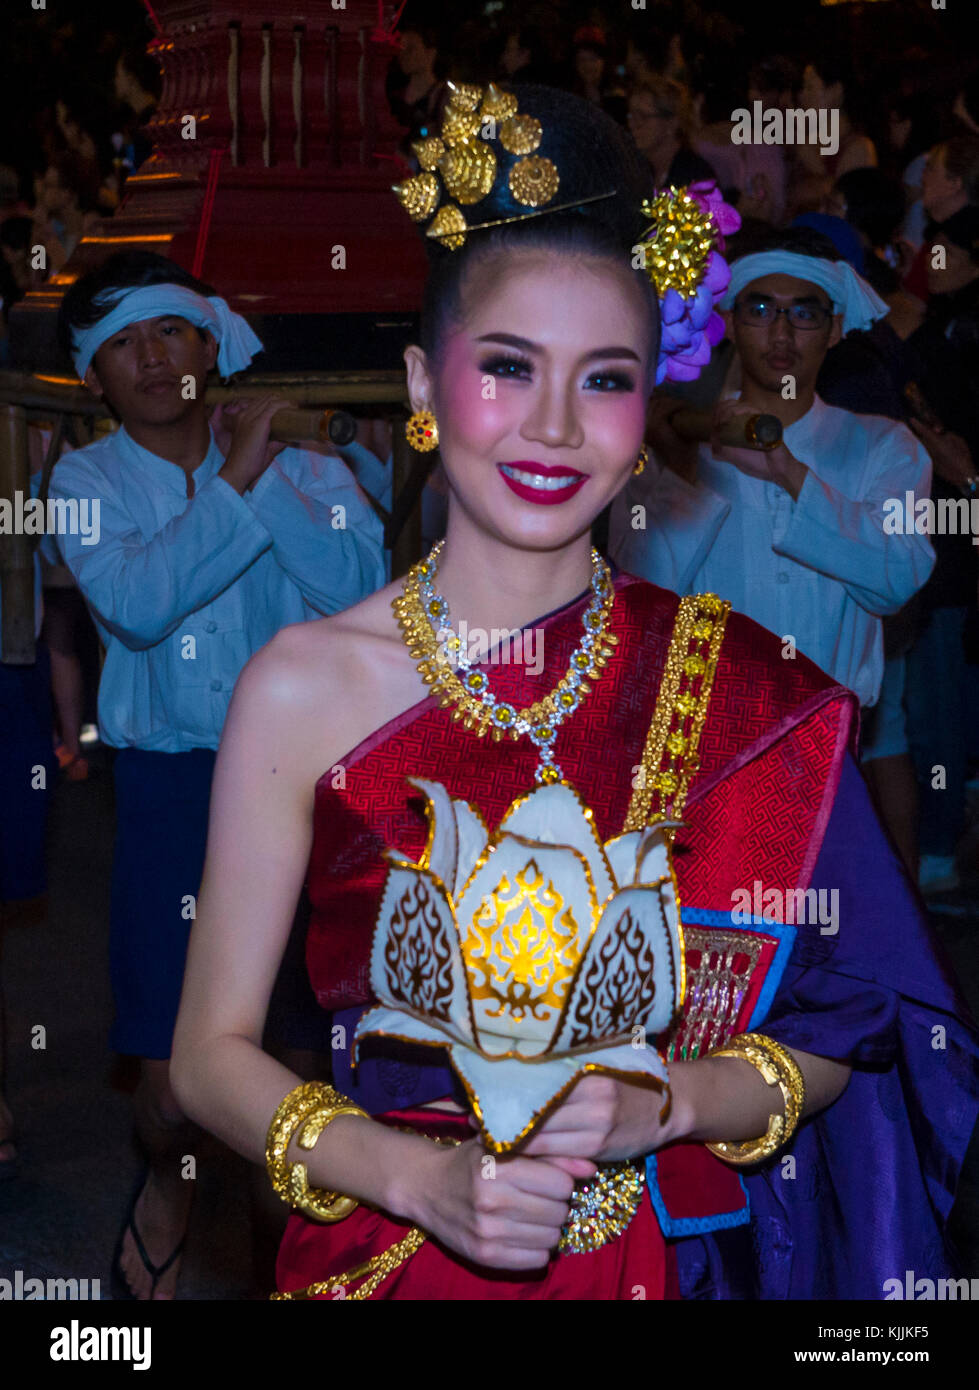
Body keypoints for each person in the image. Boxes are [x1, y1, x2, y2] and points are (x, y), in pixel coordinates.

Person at [171, 82, 978, 1302]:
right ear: (425, 387)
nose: (552, 426)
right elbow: (207, 1056)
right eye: (506, 367)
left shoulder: (750, 695)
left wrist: (673, 1101)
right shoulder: (304, 686)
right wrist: (409, 1176)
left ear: (651, 410)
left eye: (604, 379)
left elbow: (850, 1024)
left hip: (674, 1262)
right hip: (394, 1259)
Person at [49, 251, 387, 1299]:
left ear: (214, 346)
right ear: (94, 374)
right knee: (171, 1079)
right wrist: (236, 480)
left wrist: (267, 466)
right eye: (123, 343)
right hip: (171, 789)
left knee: (298, 1052)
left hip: (309, 782)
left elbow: (361, 587)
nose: (152, 359)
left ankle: (284, 1248)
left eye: (172, 333)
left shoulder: (307, 465)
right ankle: (171, 1183)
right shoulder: (84, 481)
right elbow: (141, 602)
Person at [610, 226, 935, 713]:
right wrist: (681, 473)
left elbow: (898, 577)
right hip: (702, 735)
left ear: (835, 328)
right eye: (760, 309)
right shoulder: (667, 443)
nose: (781, 333)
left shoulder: (884, 447)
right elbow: (638, 603)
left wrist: (789, 472)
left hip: (828, 736)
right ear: (729, 320)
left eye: (804, 313)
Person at [627, 75, 716, 191]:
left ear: (671, 123)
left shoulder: (696, 176)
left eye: (643, 117)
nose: (633, 124)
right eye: (631, 116)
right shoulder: (634, 169)